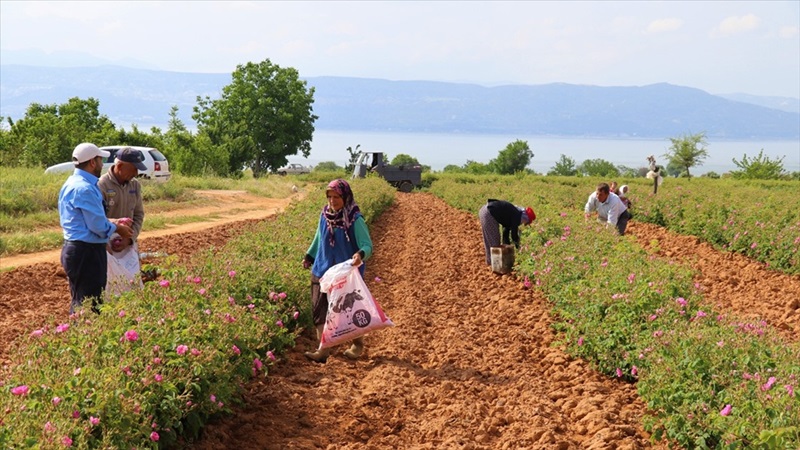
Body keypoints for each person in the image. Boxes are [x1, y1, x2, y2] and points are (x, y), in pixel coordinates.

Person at [302, 179, 374, 363]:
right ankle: (323, 350)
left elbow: (367, 245)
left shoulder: (354, 219)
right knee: (320, 308)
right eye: (330, 197)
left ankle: (357, 345)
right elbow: (319, 237)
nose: (332, 201)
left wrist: (360, 254)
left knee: (348, 309)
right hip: (322, 268)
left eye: (337, 197)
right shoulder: (325, 216)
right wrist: (309, 256)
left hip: (345, 273)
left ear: (345, 197)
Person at [59, 143, 133, 314]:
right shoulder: (85, 188)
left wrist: (111, 222)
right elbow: (97, 226)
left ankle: (79, 337)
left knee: (81, 299)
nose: (102, 164)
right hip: (87, 252)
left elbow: (87, 219)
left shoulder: (72, 182)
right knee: (90, 304)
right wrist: (118, 228)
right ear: (92, 162)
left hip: (77, 248)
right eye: (100, 160)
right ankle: (84, 338)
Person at [99, 147, 147, 293]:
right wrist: (106, 243)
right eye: (133, 169)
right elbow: (96, 219)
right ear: (119, 166)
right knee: (109, 285)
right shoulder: (101, 185)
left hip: (127, 242)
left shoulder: (135, 185)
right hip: (107, 244)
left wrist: (130, 238)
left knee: (131, 283)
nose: (136, 174)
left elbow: (138, 214)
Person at [478, 199, 535, 265]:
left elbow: (506, 232)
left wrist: (506, 246)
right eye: (526, 222)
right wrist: (517, 247)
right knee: (494, 240)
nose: (523, 223)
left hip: (485, 211)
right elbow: (514, 234)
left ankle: (491, 262)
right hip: (488, 213)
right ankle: (495, 264)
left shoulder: (513, 213)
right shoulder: (516, 216)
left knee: (491, 239)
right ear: (526, 218)